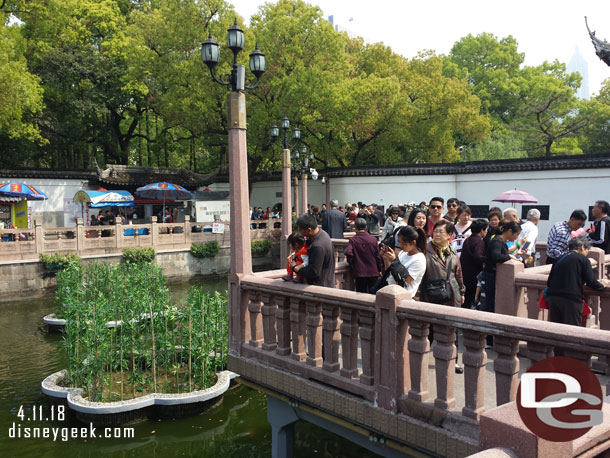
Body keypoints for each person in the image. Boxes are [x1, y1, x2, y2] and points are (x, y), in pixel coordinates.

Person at [419, 220, 464, 373]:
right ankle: (420, 358)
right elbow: (420, 275)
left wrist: (461, 292)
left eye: (441, 232)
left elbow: (458, 274)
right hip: (430, 294)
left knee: (453, 330)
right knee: (428, 330)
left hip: (451, 294)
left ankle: (454, 361)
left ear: (449, 236)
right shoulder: (425, 250)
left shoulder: (451, 251)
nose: (437, 234)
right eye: (436, 231)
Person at [546, 236, 610, 330]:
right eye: (587, 250)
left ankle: (557, 345)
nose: (587, 253)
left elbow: (549, 281)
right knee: (572, 330)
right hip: (570, 299)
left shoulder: (560, 258)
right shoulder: (583, 259)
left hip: (553, 298)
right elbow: (591, 282)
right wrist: (602, 285)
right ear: (582, 247)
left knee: (557, 330)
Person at [479, 221, 521, 314]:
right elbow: (496, 256)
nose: (516, 237)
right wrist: (509, 256)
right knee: (490, 302)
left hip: (495, 275)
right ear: (510, 231)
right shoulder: (497, 241)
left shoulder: (501, 242)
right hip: (490, 275)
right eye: (517, 234)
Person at [380, 225, 427, 298]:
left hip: (404, 298)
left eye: (403, 243)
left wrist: (394, 261)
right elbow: (390, 273)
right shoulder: (403, 253)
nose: (400, 245)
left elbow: (404, 280)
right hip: (390, 294)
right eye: (399, 242)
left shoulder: (419, 260)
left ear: (413, 242)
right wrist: (386, 258)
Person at [292, 213, 335, 287]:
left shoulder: (317, 246)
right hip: (327, 281)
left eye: (300, 230)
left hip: (320, 287)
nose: (299, 232)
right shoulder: (323, 234)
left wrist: (295, 268)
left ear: (309, 229)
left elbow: (314, 272)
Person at [345, 218, 384, 293]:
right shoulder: (373, 239)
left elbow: (348, 253)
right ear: (366, 227)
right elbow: (377, 256)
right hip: (373, 271)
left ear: (355, 228)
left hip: (359, 272)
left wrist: (353, 264)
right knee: (373, 294)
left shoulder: (353, 240)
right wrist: (380, 269)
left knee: (361, 294)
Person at [460, 219, 488, 309]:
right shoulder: (479, 241)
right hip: (474, 276)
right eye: (486, 229)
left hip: (465, 274)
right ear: (482, 230)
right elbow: (478, 257)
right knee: (472, 300)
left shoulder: (467, 240)